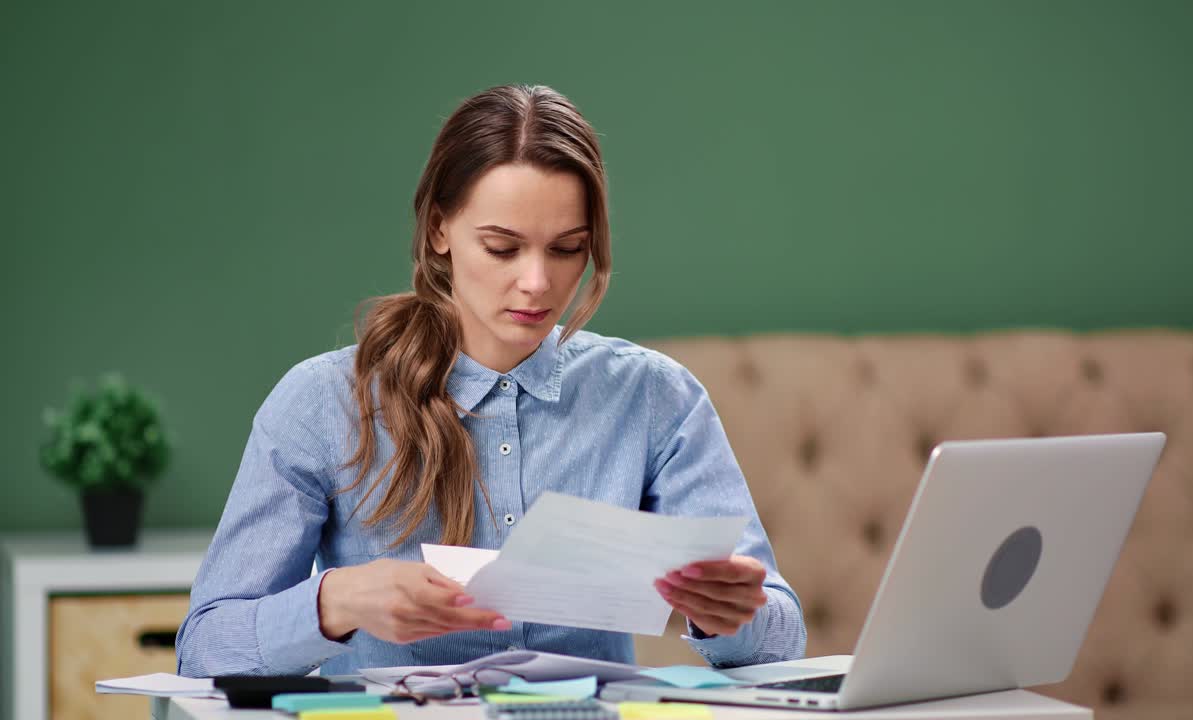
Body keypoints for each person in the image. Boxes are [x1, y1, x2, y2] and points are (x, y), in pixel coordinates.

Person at [175, 84, 806, 677]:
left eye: (567, 249)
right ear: (438, 231)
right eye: (503, 248)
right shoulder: (321, 403)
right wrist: (333, 602)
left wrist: (727, 614)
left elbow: (781, 636)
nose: (537, 283)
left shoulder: (655, 397)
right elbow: (203, 647)